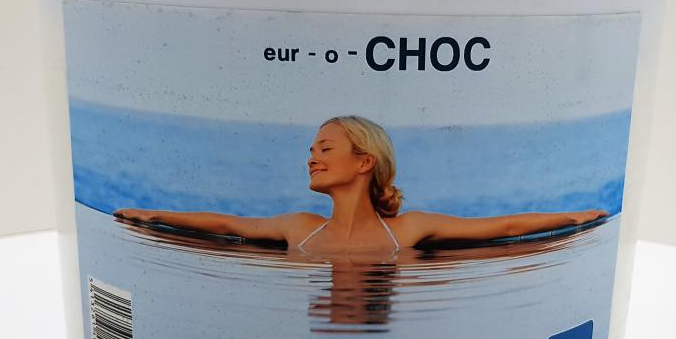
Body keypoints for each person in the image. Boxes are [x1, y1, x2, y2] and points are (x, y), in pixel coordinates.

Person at [114, 115, 607, 256]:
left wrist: (574, 218)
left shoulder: (407, 230)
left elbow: (503, 227)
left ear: (364, 162)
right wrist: (154, 215)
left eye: (326, 148)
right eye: (312, 149)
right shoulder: (300, 229)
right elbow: (227, 225)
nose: (312, 157)